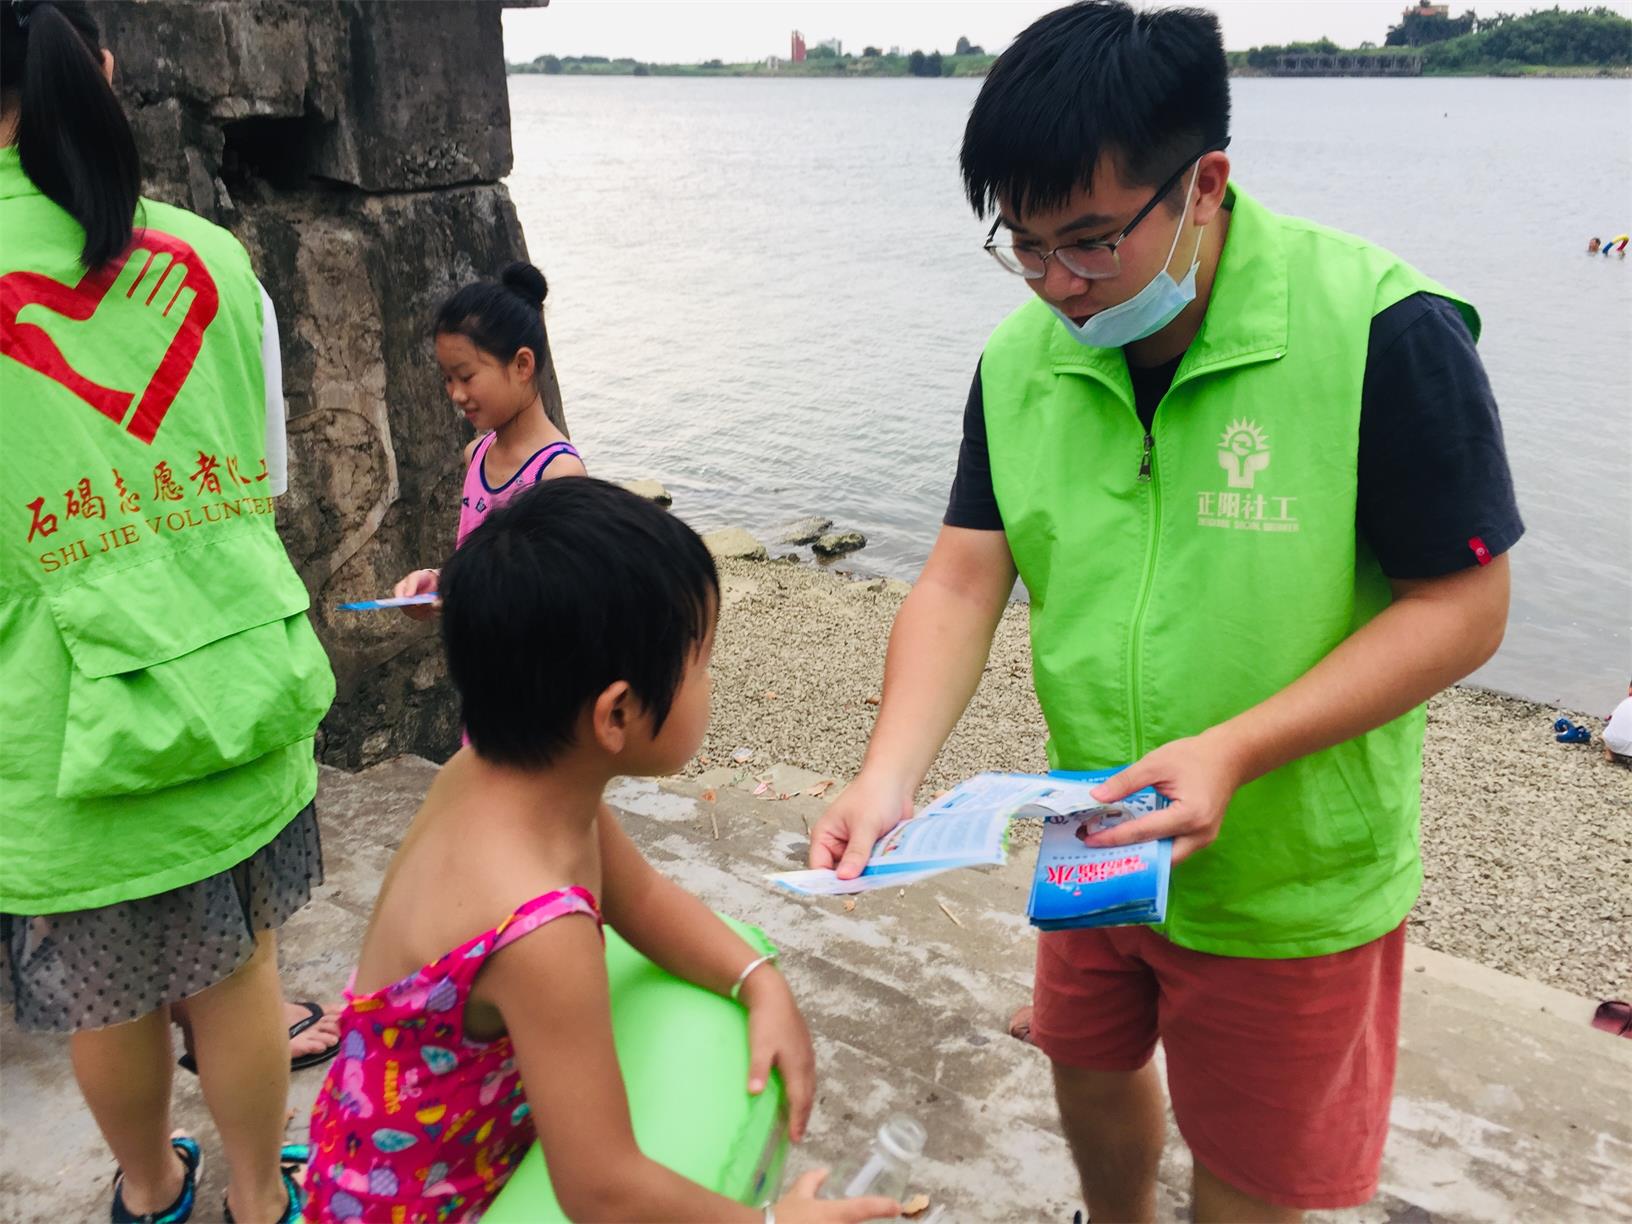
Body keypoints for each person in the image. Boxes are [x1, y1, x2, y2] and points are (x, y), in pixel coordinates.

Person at [808, 3, 1521, 1220]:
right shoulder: (1023, 360)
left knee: (1250, 1176)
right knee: (1086, 1073)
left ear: (1204, 185)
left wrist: (1237, 750)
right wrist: (888, 773)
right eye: (1022, 246)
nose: (1059, 287)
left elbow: (1463, 606)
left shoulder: (1378, 329)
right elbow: (964, 579)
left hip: (1287, 875)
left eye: (1089, 242)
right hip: (1096, 830)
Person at [304, 479, 898, 1223]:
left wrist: (759, 981)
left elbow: (639, 898)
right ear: (616, 713)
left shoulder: (505, 779)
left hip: (376, 1142)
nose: (709, 684)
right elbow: (602, 1189)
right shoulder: (540, 932)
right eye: (702, 663)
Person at [0, 2, 338, 1221]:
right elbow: (264, 473)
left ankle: (152, 1194)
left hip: (65, 733)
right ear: (98, 71)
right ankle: (263, 1201)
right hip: (240, 679)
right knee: (243, 970)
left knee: (110, 997)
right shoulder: (210, 255)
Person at [392, 263, 584, 621]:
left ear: (522, 366)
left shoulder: (559, 472)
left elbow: (563, 595)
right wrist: (440, 582)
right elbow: (481, 563)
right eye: (447, 378)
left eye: (466, 376)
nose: (456, 394)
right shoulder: (476, 455)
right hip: (481, 662)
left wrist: (473, 597)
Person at [1603, 679, 1632, 765]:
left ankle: (1609, 752)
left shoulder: (1625, 702)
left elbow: (1608, 720)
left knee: (1608, 730)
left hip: (1613, 744)